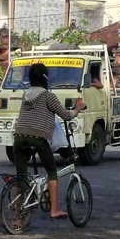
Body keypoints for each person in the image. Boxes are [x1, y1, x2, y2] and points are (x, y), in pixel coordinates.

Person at [12, 63, 86, 227]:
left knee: (20, 179)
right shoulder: (48, 96)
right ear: (45, 77)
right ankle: (54, 209)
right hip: (37, 138)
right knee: (52, 171)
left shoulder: (26, 95)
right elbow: (66, 115)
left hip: (19, 138)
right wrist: (78, 108)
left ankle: (17, 217)